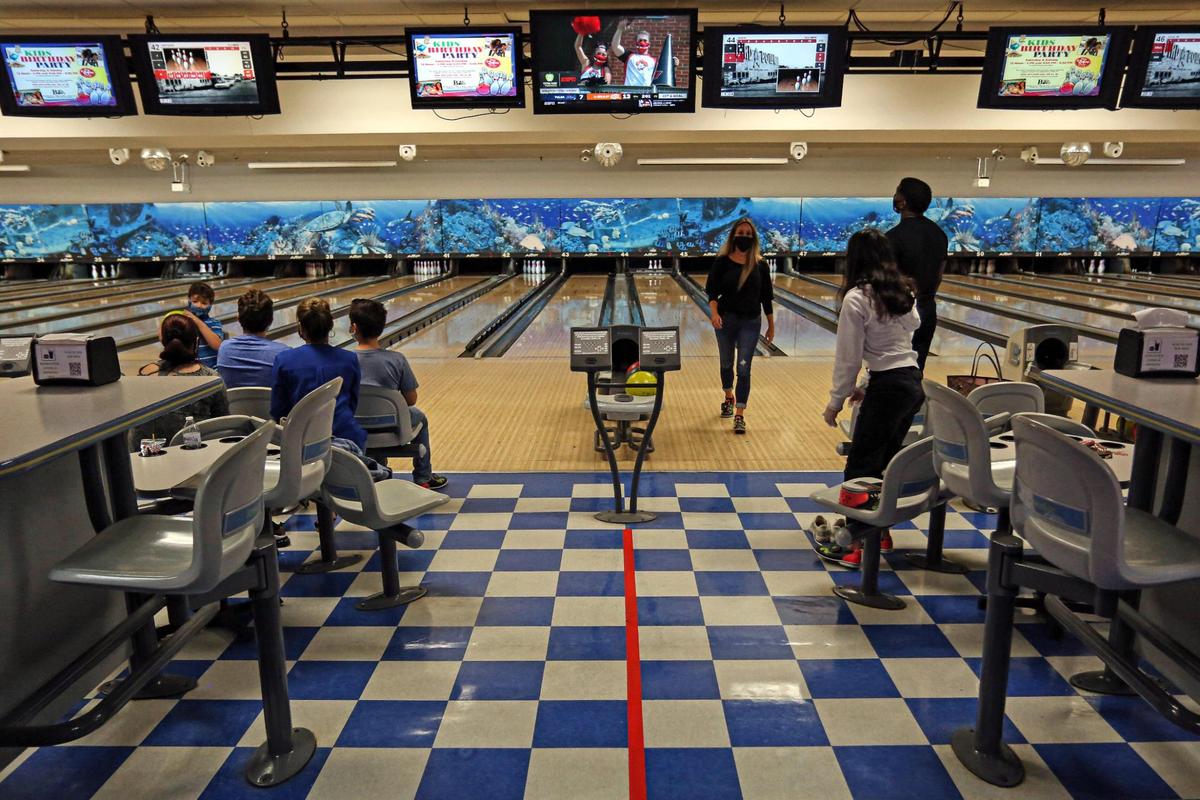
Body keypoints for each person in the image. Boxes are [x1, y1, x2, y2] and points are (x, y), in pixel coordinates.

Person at [818, 229, 923, 568]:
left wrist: (836, 402)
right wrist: (869, 383)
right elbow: (904, 337)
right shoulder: (902, 292)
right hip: (910, 383)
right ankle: (882, 535)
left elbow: (847, 358)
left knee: (861, 468)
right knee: (886, 464)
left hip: (889, 386)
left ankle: (855, 548)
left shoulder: (856, 298)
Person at [349, 298, 448, 491]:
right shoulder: (396, 360)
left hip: (354, 425)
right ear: (383, 327)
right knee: (421, 418)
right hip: (392, 423)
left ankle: (377, 471)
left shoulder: (344, 360)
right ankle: (423, 476)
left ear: (353, 328)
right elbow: (411, 400)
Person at [270, 298, 369, 455]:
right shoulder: (349, 359)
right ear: (330, 326)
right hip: (347, 439)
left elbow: (278, 411)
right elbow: (352, 404)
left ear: (301, 328)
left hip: (300, 442)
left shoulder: (284, 360)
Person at [704, 217, 775, 435]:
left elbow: (766, 297)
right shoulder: (722, 262)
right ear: (733, 235)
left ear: (753, 238)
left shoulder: (760, 265)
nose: (744, 237)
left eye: (747, 234)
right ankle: (728, 396)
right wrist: (714, 314)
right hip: (726, 320)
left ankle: (739, 414)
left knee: (744, 369)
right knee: (727, 364)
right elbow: (712, 292)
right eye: (740, 233)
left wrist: (771, 326)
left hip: (750, 321)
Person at [130, 312, 229, 447]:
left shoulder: (146, 375)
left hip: (153, 462)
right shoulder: (211, 380)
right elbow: (224, 429)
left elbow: (137, 434)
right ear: (196, 343)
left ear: (164, 342)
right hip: (198, 461)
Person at [886, 177, 947, 372]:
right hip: (928, 310)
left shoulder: (893, 237)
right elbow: (939, 274)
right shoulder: (939, 234)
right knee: (916, 370)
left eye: (897, 192)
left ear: (902, 202)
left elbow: (887, 280)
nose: (894, 196)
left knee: (892, 371)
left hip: (900, 312)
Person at [216, 289, 290, 388]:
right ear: (271, 320)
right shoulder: (283, 353)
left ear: (238, 318)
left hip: (235, 404)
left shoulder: (224, 349)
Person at [611, 20, 677, 87]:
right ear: (636, 42)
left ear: (649, 44)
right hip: (629, 93)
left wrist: (673, 65)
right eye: (640, 40)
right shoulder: (629, 56)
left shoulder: (655, 61)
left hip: (646, 94)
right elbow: (615, 46)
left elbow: (665, 75)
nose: (642, 42)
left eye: (645, 40)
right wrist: (619, 29)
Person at [175, 281, 224, 369]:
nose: (199, 305)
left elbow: (218, 346)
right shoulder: (183, 322)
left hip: (212, 370)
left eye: (204, 303)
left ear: (211, 305)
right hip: (189, 370)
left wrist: (197, 321)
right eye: (195, 301)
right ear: (189, 301)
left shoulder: (214, 323)